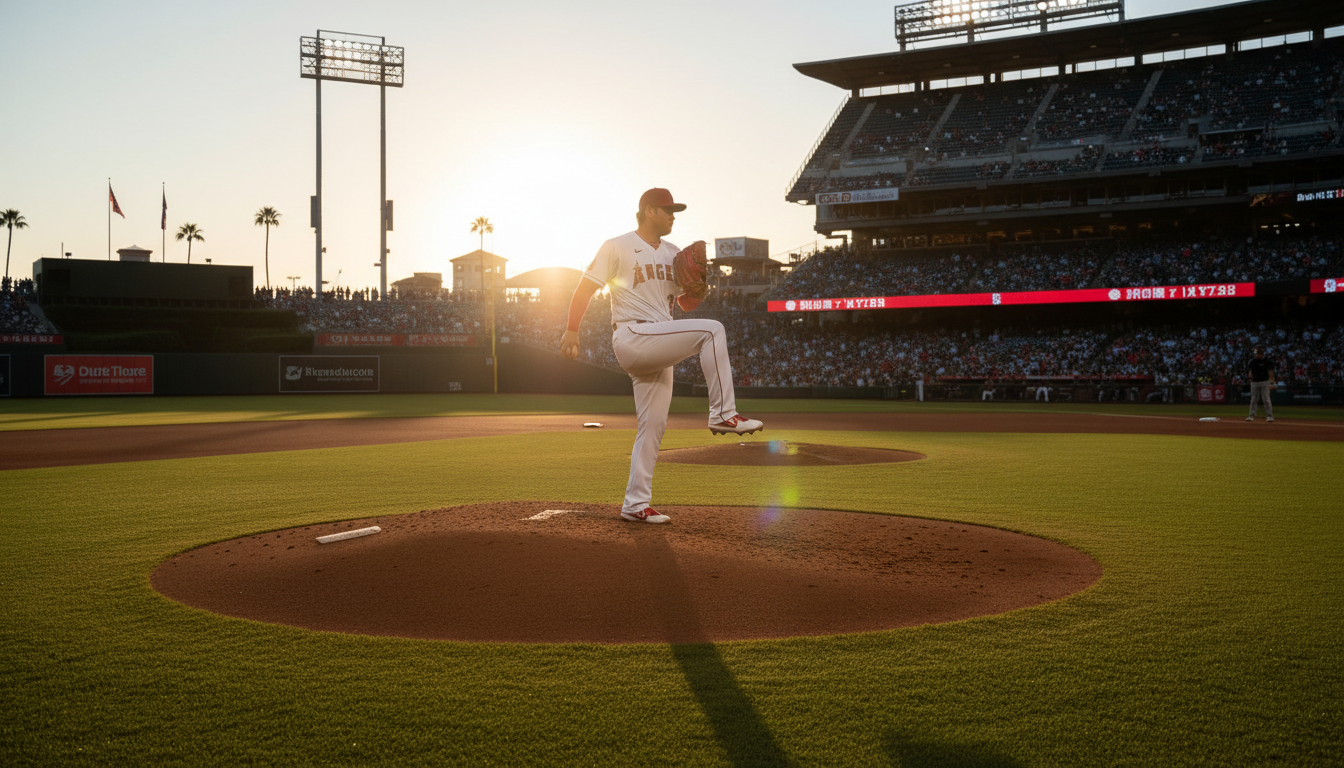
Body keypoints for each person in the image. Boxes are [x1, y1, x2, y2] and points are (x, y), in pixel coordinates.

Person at [559, 188, 762, 524]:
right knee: (713, 330)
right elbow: (586, 287)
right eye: (668, 210)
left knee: (652, 427)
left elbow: (684, 304)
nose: (673, 216)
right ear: (649, 210)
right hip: (633, 334)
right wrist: (571, 329)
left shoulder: (674, 253)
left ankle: (635, 504)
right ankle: (724, 413)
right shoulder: (617, 245)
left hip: (659, 341)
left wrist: (697, 289)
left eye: (675, 211)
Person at [1246, 347, 1275, 422]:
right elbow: (1250, 371)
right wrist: (1250, 379)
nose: (1257, 355)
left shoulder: (1267, 361)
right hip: (1254, 382)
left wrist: (1271, 382)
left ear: (1261, 354)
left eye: (1258, 353)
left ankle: (1270, 416)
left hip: (1264, 381)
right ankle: (1251, 415)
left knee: (1266, 400)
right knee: (1254, 400)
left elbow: (1270, 372)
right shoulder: (1252, 361)